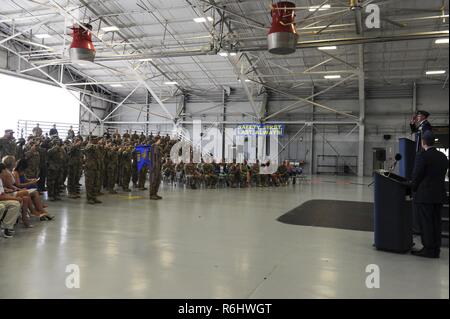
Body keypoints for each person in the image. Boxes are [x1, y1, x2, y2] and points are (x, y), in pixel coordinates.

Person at [410, 131, 449, 258]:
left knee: (426, 223)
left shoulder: (422, 156)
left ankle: (428, 249)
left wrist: (413, 188)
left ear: (423, 142)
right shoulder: (443, 156)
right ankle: (436, 249)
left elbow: (417, 175)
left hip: (425, 195)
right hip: (439, 195)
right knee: (436, 222)